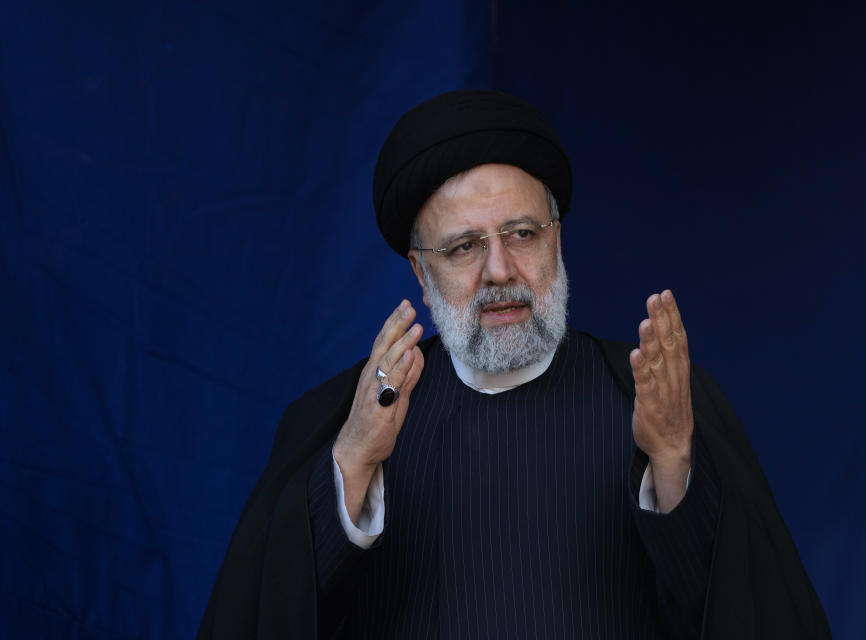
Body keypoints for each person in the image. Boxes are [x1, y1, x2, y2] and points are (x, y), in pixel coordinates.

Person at [198, 90, 831, 639]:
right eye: (464, 246)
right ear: (421, 272)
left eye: (522, 234)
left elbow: (739, 613)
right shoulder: (348, 420)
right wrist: (350, 467)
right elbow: (273, 616)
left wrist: (673, 465)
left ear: (557, 238)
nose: (500, 271)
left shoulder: (652, 398)